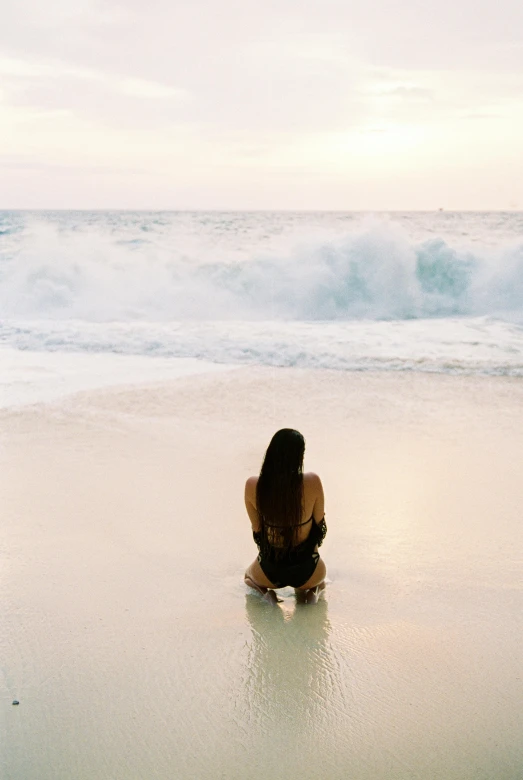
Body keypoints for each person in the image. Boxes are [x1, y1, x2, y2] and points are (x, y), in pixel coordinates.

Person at [244, 428, 327, 605]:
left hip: (270, 570)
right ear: (299, 456)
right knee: (320, 582)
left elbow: (258, 532)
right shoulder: (312, 481)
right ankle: (312, 593)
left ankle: (268, 596)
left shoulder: (254, 485)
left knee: (248, 578)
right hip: (308, 569)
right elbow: (319, 527)